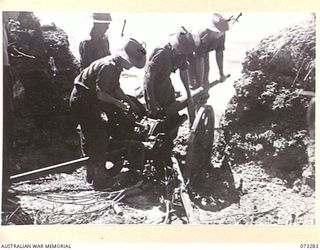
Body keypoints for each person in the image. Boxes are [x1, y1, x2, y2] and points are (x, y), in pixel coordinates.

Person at [70, 38, 147, 190]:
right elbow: (101, 95)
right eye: (131, 63)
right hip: (82, 100)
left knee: (93, 134)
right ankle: (99, 180)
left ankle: (92, 173)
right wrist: (119, 104)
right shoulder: (108, 66)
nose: (131, 67)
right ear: (125, 58)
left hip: (89, 99)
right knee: (98, 135)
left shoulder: (116, 66)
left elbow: (116, 88)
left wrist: (129, 102)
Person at [143, 26, 196, 175]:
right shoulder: (161, 53)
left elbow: (184, 71)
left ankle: (165, 150)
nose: (181, 53)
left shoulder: (183, 52)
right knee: (156, 119)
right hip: (153, 86)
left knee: (172, 119)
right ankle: (154, 155)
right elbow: (148, 78)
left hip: (165, 84)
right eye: (180, 50)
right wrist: (151, 101)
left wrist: (189, 93)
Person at [182, 13, 229, 122]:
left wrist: (221, 73)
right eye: (218, 32)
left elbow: (219, 53)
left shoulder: (222, 32)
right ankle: (192, 121)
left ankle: (200, 118)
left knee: (204, 87)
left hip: (204, 55)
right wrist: (200, 82)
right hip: (191, 55)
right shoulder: (204, 34)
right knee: (195, 88)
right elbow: (199, 59)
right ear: (213, 30)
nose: (220, 34)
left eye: (222, 32)